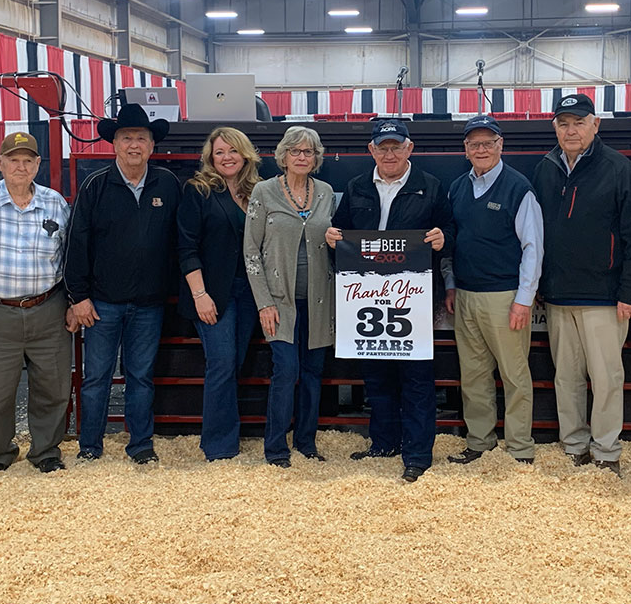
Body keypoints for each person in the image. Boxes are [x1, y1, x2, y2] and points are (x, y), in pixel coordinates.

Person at [531, 93, 631, 477]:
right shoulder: (545, 169)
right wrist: (538, 283)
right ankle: (574, 445)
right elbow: (536, 233)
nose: (571, 130)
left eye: (579, 122)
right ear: (555, 127)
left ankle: (606, 451)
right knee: (565, 376)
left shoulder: (619, 170)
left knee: (606, 378)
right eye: (564, 123)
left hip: (605, 295)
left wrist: (630, 293)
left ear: (595, 125)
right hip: (557, 294)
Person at [326, 118, 454, 483]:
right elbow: (339, 233)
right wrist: (334, 239)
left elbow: (451, 231)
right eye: (382, 147)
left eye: (396, 146)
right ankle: (383, 444)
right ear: (371, 151)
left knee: (416, 377)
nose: (389, 153)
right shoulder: (356, 187)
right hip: (366, 297)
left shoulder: (430, 187)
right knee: (376, 375)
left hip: (411, 297)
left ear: (409, 148)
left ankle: (416, 454)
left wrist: (445, 239)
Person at [64, 103, 180, 464]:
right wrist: (78, 297)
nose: (134, 145)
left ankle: (141, 445)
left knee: (141, 377)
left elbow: (181, 241)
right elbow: (76, 244)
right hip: (101, 303)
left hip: (150, 303)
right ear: (114, 144)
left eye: (141, 138)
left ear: (151, 145)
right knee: (96, 377)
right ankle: (90, 446)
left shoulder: (169, 184)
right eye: (127, 138)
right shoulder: (96, 186)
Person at [0, 132, 73, 477]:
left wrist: (72, 301)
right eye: (13, 159)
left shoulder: (56, 203)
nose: (20, 167)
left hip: (48, 307)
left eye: (28, 160)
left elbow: (70, 256)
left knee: (53, 385)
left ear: (38, 164)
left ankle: (46, 451)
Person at [443, 115, 543, 466]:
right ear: (465, 150)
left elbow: (533, 247)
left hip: (505, 297)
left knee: (515, 375)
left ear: (501, 146)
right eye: (474, 144)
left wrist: (523, 300)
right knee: (473, 375)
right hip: (466, 295)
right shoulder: (457, 187)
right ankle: (479, 442)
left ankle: (519, 448)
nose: (481, 149)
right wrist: (452, 285)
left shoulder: (518, 188)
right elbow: (452, 244)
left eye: (488, 143)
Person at [244, 126, 335, 468]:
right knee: (286, 371)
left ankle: (307, 442)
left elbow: (335, 241)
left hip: (318, 300)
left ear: (316, 158)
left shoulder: (325, 193)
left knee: (313, 373)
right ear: (282, 156)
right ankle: (276, 448)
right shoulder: (264, 192)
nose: (301, 157)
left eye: (308, 152)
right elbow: (251, 251)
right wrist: (263, 302)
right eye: (295, 151)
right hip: (278, 302)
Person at [177, 127, 262, 462]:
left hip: (250, 293)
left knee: (234, 364)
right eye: (219, 152)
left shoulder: (258, 191)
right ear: (210, 158)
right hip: (212, 294)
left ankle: (228, 436)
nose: (226, 157)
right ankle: (218, 447)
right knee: (222, 363)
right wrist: (200, 294)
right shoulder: (199, 191)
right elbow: (186, 247)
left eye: (232, 151)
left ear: (245, 154)